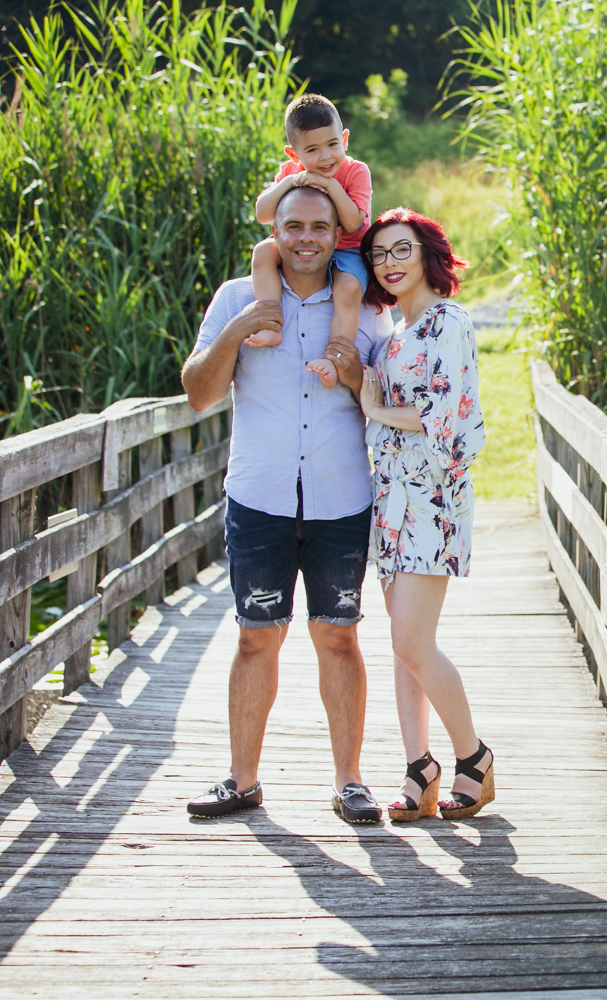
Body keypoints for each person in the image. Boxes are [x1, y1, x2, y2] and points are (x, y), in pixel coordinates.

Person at [180, 185, 388, 824]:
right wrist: (239, 333)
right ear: (276, 228)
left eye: (318, 227)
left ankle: (349, 782)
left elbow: (383, 406)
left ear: (336, 233)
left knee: (340, 638)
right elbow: (196, 393)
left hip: (340, 498)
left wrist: (354, 373)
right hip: (260, 496)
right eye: (293, 226)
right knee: (254, 639)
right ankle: (242, 782)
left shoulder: (366, 310)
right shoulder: (238, 298)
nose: (305, 239)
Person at [357, 207, 493, 821]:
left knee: (412, 639)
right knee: (403, 644)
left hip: (432, 501)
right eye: (379, 254)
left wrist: (375, 407)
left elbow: (448, 419)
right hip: (390, 503)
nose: (389, 262)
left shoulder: (448, 323)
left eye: (399, 249)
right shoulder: (391, 338)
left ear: (426, 252)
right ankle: (419, 768)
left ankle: (474, 758)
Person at [247, 94, 372, 390]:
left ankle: (334, 355)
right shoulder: (291, 172)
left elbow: (354, 223)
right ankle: (270, 325)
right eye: (312, 150)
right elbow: (263, 215)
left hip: (347, 249)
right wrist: (290, 182)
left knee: (349, 289)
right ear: (294, 154)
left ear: (345, 139)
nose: (326, 157)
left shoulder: (356, 171)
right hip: (303, 246)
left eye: (332, 144)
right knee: (263, 251)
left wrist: (329, 185)